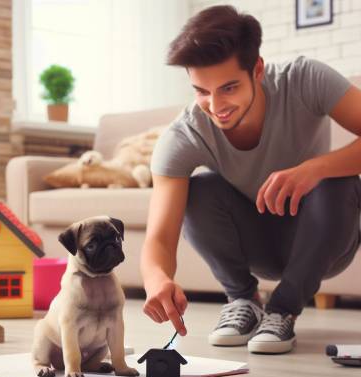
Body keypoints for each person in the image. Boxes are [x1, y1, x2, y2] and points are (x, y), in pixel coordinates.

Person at [140, 5, 361, 354]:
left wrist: (315, 168)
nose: (216, 105)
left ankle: (283, 309)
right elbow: (160, 238)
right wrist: (157, 280)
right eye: (202, 91)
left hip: (325, 241)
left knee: (338, 178)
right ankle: (243, 300)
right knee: (200, 190)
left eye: (229, 87)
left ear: (257, 69)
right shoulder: (183, 136)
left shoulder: (304, 79)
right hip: (256, 243)